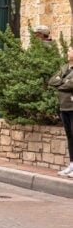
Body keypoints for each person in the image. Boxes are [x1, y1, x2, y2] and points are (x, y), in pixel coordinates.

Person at [49, 45, 73, 177]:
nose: (67, 52)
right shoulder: (64, 68)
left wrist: (61, 82)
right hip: (63, 106)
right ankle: (71, 164)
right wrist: (64, 81)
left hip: (72, 106)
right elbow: (52, 81)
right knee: (70, 137)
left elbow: (71, 84)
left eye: (70, 50)